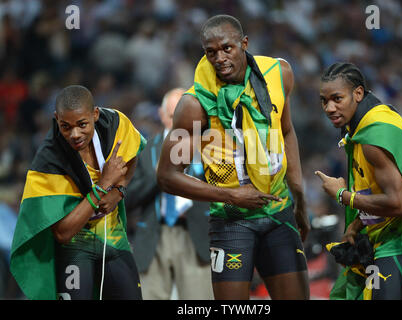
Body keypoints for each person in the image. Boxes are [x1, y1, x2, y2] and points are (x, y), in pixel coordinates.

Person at [156, 15, 310, 300]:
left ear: (244, 43)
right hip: (231, 221)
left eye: (227, 48)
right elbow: (167, 176)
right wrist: (231, 196)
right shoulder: (194, 105)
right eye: (210, 52)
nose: (219, 58)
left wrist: (299, 196)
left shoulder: (280, 73)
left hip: (278, 211)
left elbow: (286, 131)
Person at [315, 62, 402, 300]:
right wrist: (355, 226)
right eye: (324, 101)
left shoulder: (372, 137)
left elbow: (398, 204)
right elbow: (373, 190)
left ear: (358, 93)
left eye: (337, 98)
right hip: (381, 241)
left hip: (396, 246)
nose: (329, 107)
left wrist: (342, 196)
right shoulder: (363, 128)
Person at [10, 85, 146, 300]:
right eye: (65, 126)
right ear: (56, 119)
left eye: (82, 124)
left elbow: (134, 153)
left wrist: (120, 189)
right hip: (76, 246)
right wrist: (103, 186)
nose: (75, 134)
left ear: (95, 114)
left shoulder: (115, 124)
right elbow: (63, 233)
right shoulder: (48, 160)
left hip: (113, 237)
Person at [126, 88, 214, 299]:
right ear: (162, 115)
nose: (179, 122)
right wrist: (160, 175)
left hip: (196, 233)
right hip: (155, 234)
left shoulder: (208, 146)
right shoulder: (146, 149)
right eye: (174, 116)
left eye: (185, 116)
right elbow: (128, 197)